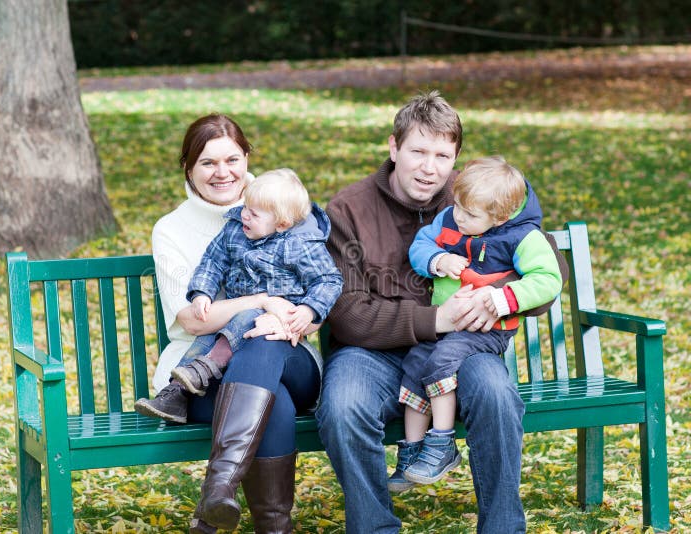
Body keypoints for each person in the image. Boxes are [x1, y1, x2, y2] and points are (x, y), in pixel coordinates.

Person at [315, 91, 568, 534]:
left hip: (461, 348)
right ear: (394, 148)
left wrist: (494, 297)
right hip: (371, 351)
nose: (429, 168)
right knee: (342, 405)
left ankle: (503, 528)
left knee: (495, 393)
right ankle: (375, 527)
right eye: (417, 151)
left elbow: (545, 277)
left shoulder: (476, 198)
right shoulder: (348, 211)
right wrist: (437, 319)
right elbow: (348, 314)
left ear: (456, 159)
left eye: (442, 155)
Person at [135, 114, 325, 534]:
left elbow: (323, 283)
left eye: (232, 159)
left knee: (265, 341)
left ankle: (214, 497)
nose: (222, 173)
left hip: (291, 356)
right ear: (187, 168)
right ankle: (274, 527)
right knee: (270, 391)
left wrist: (304, 315)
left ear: (246, 158)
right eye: (207, 163)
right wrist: (261, 302)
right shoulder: (171, 229)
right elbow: (191, 319)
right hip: (202, 376)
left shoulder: (285, 204)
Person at [395, 155, 563, 488]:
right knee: (415, 364)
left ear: (499, 216)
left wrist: (502, 300)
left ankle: (441, 443)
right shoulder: (451, 218)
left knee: (439, 362)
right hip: (446, 325)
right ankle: (412, 453)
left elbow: (548, 278)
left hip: (486, 331)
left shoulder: (522, 238)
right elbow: (422, 243)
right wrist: (437, 258)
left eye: (469, 214)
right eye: (457, 206)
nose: (457, 216)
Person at [136, 168, 342, 423]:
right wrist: (202, 292)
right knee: (215, 339)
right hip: (235, 326)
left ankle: (194, 378)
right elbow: (212, 262)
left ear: (282, 224)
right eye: (246, 207)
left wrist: (308, 310)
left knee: (248, 320)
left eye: (253, 213)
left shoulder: (300, 244)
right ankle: (177, 390)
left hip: (279, 336)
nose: (244, 214)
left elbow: (328, 280)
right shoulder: (235, 231)